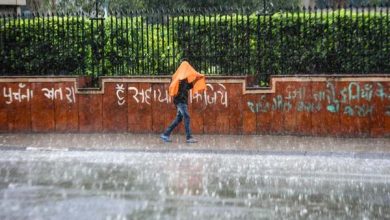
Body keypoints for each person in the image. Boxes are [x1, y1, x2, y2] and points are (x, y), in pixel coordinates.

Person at [160, 61, 205, 143]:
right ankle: (189, 137)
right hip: (180, 101)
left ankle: (165, 134)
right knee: (187, 117)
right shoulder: (178, 78)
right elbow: (174, 87)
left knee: (179, 119)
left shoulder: (185, 78)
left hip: (182, 101)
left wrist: (197, 78)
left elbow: (190, 86)